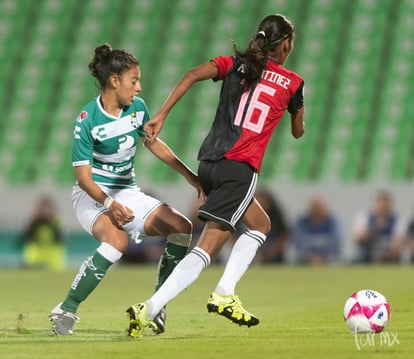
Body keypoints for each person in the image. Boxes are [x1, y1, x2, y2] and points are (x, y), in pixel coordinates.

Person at [126, 13, 305, 337]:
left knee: (260, 223)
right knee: (208, 248)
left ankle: (224, 290)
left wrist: (162, 114)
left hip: (208, 163)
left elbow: (193, 73)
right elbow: (297, 132)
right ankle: (151, 307)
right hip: (240, 169)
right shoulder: (293, 83)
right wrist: (297, 110)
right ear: (286, 44)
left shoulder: (235, 64)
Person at [48, 44, 203, 336]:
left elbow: (154, 142)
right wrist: (109, 204)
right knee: (116, 241)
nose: (139, 87)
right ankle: (66, 308)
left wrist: (189, 175)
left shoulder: (137, 109)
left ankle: (157, 305)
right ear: (113, 81)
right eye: (134, 81)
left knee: (181, 226)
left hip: (127, 191)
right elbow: (83, 178)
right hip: (93, 196)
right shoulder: (87, 119)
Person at [353, 190, 406, 263]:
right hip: (367, 257)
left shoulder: (398, 220)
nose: (382, 207)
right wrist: (373, 231)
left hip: (389, 258)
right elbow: (358, 238)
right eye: (380, 203)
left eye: (385, 204)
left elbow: (398, 245)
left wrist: (383, 256)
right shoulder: (364, 217)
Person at [292, 196, 341, 265]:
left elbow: (336, 243)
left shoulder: (332, 222)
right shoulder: (302, 223)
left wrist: (322, 259)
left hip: (327, 260)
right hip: (306, 260)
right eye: (315, 208)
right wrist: (310, 257)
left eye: (319, 208)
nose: (317, 211)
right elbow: (299, 242)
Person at [22, 196, 66, 271]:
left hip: (53, 257)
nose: (44, 213)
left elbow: (60, 238)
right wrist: (35, 221)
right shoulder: (34, 223)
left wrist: (51, 221)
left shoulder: (56, 222)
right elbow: (25, 236)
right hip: (36, 256)